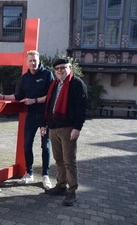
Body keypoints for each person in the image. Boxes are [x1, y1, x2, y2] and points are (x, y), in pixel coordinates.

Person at [0, 50, 54, 189]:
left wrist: (34, 100)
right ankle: (29, 173)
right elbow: (19, 95)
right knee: (27, 144)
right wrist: (2, 96)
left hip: (45, 116)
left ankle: (46, 176)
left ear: (39, 60)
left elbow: (51, 96)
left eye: (35, 60)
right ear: (27, 62)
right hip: (31, 116)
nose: (33, 63)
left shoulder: (47, 75)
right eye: (30, 61)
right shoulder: (25, 77)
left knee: (45, 146)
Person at [40, 58, 88, 206]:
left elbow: (82, 108)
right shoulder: (54, 84)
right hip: (53, 128)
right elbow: (48, 106)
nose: (60, 70)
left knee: (69, 161)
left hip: (68, 128)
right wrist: (43, 124)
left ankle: (71, 191)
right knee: (59, 160)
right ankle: (60, 186)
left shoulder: (77, 84)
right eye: (57, 68)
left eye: (63, 67)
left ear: (69, 68)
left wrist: (77, 128)